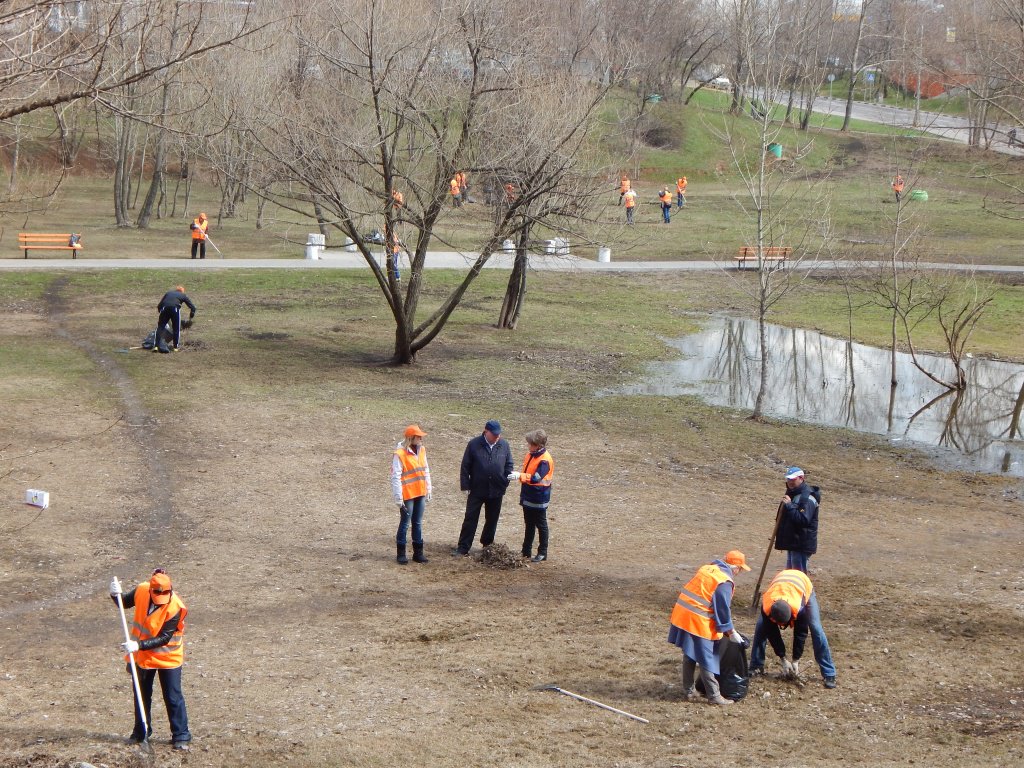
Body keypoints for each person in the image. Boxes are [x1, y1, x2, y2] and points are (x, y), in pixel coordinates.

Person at [110, 569, 192, 750]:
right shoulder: (141, 590)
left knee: (172, 696)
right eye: (157, 595)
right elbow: (123, 603)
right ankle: (141, 732)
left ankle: (181, 735)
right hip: (144, 658)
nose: (161, 599)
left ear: (170, 591)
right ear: (151, 591)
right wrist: (114, 594)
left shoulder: (176, 607)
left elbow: (164, 637)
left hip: (168, 658)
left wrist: (138, 645)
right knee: (142, 695)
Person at [667, 551, 751, 705]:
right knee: (707, 658)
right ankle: (714, 696)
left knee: (690, 653)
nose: (739, 573)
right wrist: (730, 631)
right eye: (740, 569)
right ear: (736, 568)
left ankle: (689, 690)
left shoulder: (708, 568)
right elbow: (722, 610)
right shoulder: (724, 582)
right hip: (697, 618)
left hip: (683, 612)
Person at [748, 568, 837, 689]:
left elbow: (801, 633)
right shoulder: (767, 606)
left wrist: (796, 659)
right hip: (780, 586)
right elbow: (772, 633)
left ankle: (829, 673)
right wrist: (783, 658)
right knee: (761, 626)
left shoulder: (799, 608)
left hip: (802, 586)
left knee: (816, 628)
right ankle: (756, 666)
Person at [453, 419, 513, 556]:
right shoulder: (474, 444)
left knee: (492, 519)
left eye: (498, 434)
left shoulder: (504, 445)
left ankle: (488, 546)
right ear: (486, 431)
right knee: (470, 518)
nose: (497, 437)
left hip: (496, 489)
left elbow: (509, 464)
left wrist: (505, 482)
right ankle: (463, 547)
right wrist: (465, 485)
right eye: (494, 434)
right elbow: (465, 466)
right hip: (477, 489)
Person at [509, 429, 554, 563]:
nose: (528, 445)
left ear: (538, 445)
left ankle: (542, 552)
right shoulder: (531, 455)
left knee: (541, 524)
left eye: (530, 443)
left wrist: (520, 476)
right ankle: (526, 551)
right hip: (529, 495)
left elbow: (536, 478)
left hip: (539, 497)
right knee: (529, 524)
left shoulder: (545, 460)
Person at [391, 424, 432, 564]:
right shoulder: (400, 454)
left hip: (420, 491)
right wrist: (398, 497)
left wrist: (428, 488)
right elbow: (395, 476)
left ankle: (418, 553)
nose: (421, 438)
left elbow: (425, 469)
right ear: (411, 437)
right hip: (408, 493)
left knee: (417, 523)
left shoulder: (422, 451)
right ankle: (401, 553)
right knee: (405, 523)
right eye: (418, 436)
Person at [774, 466, 818, 573]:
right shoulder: (792, 494)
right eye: (788, 479)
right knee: (790, 574)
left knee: (798, 575)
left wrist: (789, 505)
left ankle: (807, 591)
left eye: (793, 479)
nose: (790, 482)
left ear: (801, 478)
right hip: (794, 542)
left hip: (801, 544)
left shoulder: (806, 498)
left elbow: (803, 520)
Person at [155, 286, 196, 352]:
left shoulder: (168, 293)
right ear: (182, 292)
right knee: (176, 329)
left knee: (160, 327)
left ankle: (156, 346)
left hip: (164, 309)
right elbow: (192, 307)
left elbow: (160, 305)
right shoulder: (183, 295)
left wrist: (161, 312)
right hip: (175, 310)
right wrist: (192, 314)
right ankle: (175, 347)